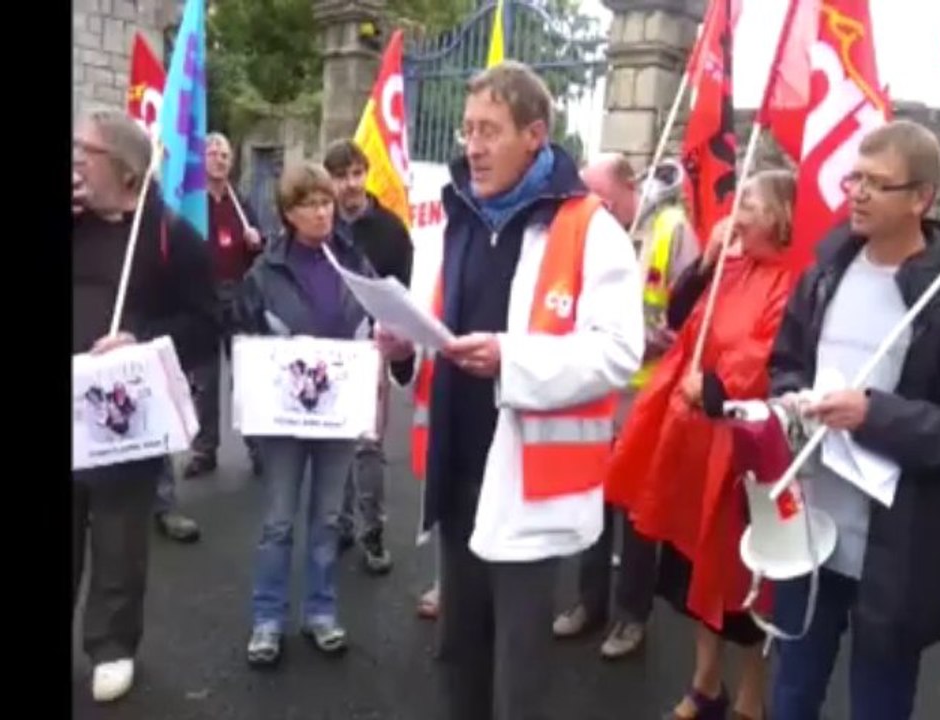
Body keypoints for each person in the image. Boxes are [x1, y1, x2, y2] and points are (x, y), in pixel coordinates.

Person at [376, 61, 644, 719]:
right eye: (468, 129)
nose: (472, 144)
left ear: (534, 134)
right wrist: (405, 353)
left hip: (532, 486)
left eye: (489, 130)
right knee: (458, 652)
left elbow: (617, 353)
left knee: (517, 672)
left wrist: (510, 360)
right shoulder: (455, 218)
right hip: (456, 469)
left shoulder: (590, 227)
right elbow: (433, 324)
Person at [756, 120, 940, 720]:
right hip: (810, 532)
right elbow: (787, 363)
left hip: (897, 554)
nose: (858, 193)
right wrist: (792, 401)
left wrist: (873, 414)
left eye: (877, 183)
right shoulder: (824, 275)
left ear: (920, 199)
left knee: (879, 704)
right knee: (791, 695)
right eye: (855, 178)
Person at [606, 170, 801, 720]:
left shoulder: (789, 282)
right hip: (694, 445)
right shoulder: (729, 268)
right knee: (692, 571)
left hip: (743, 453)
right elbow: (680, 314)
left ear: (781, 217)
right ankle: (705, 684)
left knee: (743, 584)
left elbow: (769, 353)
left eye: (751, 205)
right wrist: (709, 260)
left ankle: (750, 696)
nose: (737, 215)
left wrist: (718, 387)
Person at [72, 109, 218, 702]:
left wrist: (144, 340)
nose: (76, 158)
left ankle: (111, 647)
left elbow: (208, 324)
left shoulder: (172, 236)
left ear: (128, 172)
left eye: (87, 150)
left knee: (119, 537)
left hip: (122, 419)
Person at [552, 154, 699, 660]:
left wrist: (663, 338)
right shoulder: (593, 231)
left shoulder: (674, 229)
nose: (596, 205)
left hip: (648, 399)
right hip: (600, 394)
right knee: (593, 505)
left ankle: (631, 618)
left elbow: (693, 318)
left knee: (638, 515)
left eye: (603, 196)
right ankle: (589, 603)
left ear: (626, 186)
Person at [234, 161, 377, 667]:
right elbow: (244, 340)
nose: (321, 212)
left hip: (337, 415)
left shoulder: (354, 260)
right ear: (288, 214)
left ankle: (321, 612)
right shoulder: (264, 271)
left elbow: (376, 320)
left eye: (325, 202)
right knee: (278, 522)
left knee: (327, 520)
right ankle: (267, 620)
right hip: (285, 419)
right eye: (308, 205)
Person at [323, 139, 415, 575]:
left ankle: (372, 532)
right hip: (326, 348)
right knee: (330, 442)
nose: (350, 185)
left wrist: (396, 352)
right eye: (340, 176)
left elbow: (403, 296)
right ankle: (338, 523)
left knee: (367, 447)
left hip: (370, 350)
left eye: (356, 173)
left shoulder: (392, 231)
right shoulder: (318, 226)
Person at [184, 132, 265, 478]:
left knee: (244, 375)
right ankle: (205, 450)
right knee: (205, 377)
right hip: (202, 297)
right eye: (212, 152)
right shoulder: (191, 203)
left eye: (225, 154)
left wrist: (257, 239)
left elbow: (260, 244)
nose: (219, 158)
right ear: (200, 159)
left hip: (237, 296)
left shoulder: (239, 202)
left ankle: (257, 446)